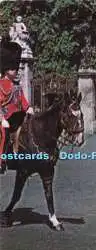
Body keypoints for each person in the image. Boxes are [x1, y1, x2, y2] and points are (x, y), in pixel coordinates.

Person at [0, 40, 34, 174]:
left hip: (17, 116)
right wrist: (2, 118)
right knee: (3, 132)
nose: (15, 70)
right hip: (4, 116)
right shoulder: (1, 84)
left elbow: (22, 100)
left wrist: (28, 108)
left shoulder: (17, 85)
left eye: (16, 68)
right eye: (13, 68)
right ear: (6, 69)